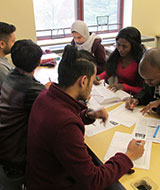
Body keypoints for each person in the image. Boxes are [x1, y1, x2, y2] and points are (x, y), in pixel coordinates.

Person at [26, 45, 145, 190]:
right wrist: (129, 156)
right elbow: (94, 180)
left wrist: (87, 115)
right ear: (83, 81)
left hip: (40, 178)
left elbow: (60, 121)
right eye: (93, 80)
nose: (91, 86)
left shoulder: (45, 95)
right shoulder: (66, 125)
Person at [0, 39, 46, 174]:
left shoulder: (11, 75)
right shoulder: (32, 90)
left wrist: (44, 90)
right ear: (39, 62)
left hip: (2, 141)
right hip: (16, 152)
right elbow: (56, 111)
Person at [95, 27, 145, 95]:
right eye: (118, 45)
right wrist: (98, 78)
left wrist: (124, 87)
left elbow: (144, 90)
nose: (120, 49)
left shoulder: (141, 62)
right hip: (120, 94)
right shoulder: (117, 56)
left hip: (135, 98)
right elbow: (108, 72)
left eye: (124, 46)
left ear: (134, 46)